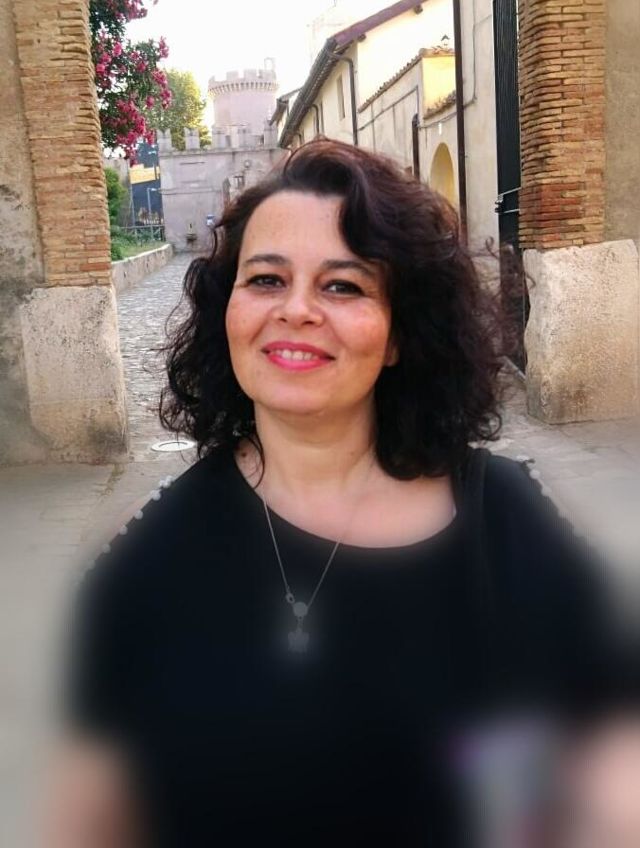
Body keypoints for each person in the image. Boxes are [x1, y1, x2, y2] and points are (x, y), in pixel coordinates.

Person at [49, 139, 623, 847]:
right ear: (228, 313)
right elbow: (90, 819)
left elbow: (614, 763)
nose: (296, 310)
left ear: (398, 335)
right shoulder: (146, 566)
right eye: (266, 279)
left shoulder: (507, 520)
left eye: (343, 286)